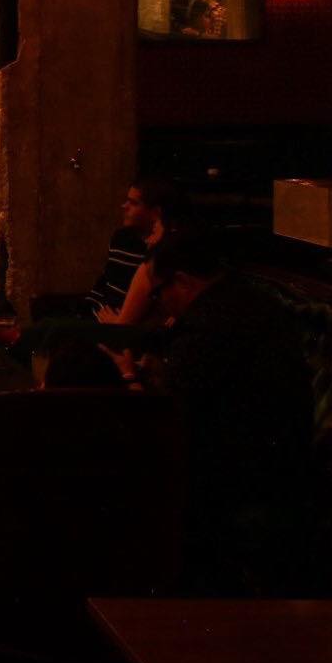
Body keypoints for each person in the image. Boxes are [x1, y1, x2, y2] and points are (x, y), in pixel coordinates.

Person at [114, 228, 315, 595]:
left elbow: (169, 417)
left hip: (239, 485)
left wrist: (128, 375)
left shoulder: (210, 322)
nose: (159, 305)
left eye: (158, 294)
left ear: (183, 282)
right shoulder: (246, 300)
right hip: (275, 469)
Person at [85, 177, 181, 319]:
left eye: (134, 203)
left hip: (129, 324)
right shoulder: (122, 237)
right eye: (127, 200)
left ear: (155, 213)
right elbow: (106, 281)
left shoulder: (168, 248)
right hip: (100, 312)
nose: (124, 206)